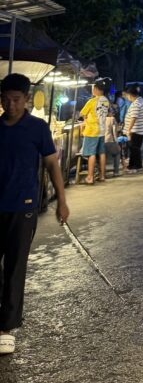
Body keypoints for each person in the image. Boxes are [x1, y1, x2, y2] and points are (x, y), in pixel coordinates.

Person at [0, 73, 69, 355]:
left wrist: (61, 201)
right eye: (5, 99)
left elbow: (52, 165)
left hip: (23, 206)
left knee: (16, 267)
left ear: (27, 99)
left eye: (16, 99)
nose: (11, 104)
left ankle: (6, 326)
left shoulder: (38, 128)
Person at [79, 80, 110, 185]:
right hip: (102, 130)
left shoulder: (92, 101)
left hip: (92, 131)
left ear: (96, 89)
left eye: (93, 88)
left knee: (91, 153)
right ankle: (102, 176)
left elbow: (82, 113)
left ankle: (90, 177)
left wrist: (85, 119)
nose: (92, 90)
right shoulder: (106, 100)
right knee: (101, 152)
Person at [123, 86, 143, 173]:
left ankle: (137, 166)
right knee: (134, 148)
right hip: (140, 129)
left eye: (127, 96)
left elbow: (133, 118)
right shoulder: (142, 100)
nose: (127, 97)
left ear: (130, 95)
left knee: (134, 148)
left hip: (136, 130)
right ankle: (132, 165)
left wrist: (128, 130)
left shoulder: (136, 104)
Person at [104, 100, 122, 178]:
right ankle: (116, 172)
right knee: (117, 153)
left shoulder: (98, 119)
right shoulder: (111, 119)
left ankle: (102, 173)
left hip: (100, 141)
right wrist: (117, 143)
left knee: (103, 155)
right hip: (109, 141)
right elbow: (114, 132)